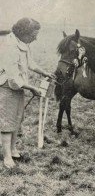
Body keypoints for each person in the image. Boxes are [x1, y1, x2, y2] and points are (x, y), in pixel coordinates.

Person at [0, 18, 54, 168]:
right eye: (33, 35)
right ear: (23, 33)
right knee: (7, 120)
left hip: (18, 86)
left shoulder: (23, 43)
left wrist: (45, 73)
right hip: (6, 86)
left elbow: (30, 63)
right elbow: (12, 76)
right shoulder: (9, 46)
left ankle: (13, 149)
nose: (35, 38)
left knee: (17, 118)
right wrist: (32, 88)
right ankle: (6, 156)